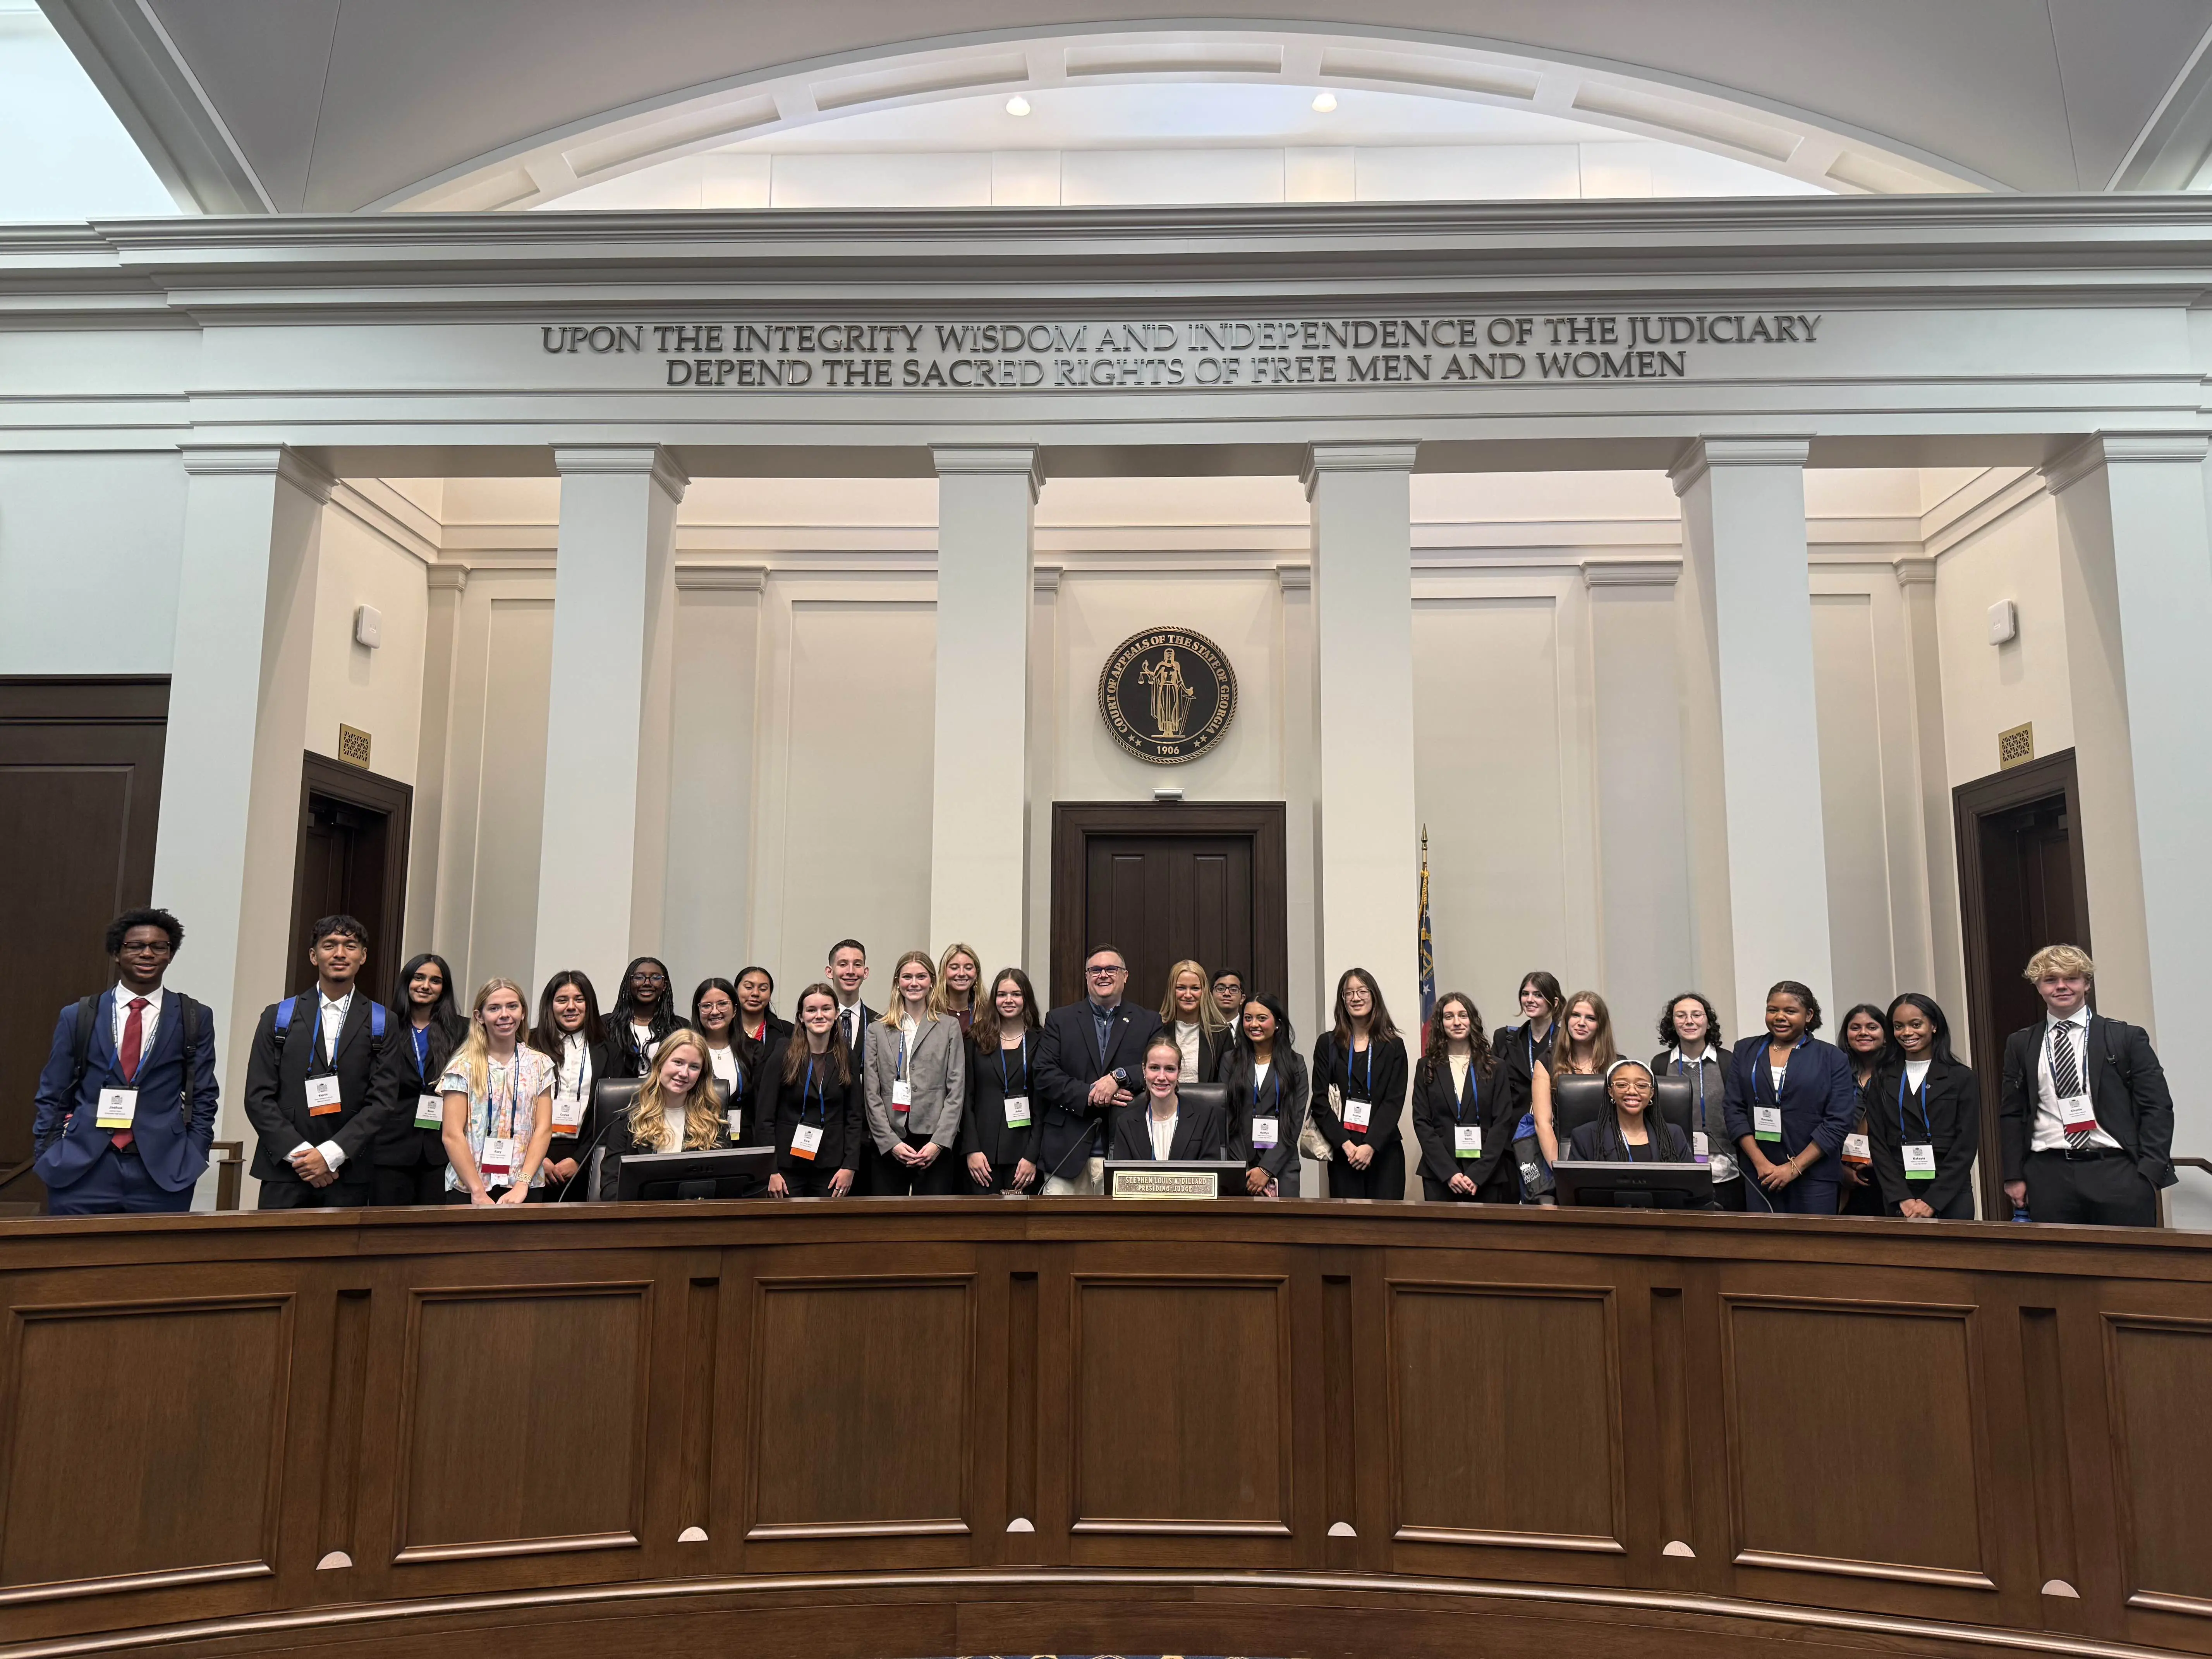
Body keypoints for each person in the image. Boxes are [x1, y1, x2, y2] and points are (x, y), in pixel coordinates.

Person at [33, 907, 218, 1216]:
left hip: (162, 1172)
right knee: (77, 1261)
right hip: (83, 1169)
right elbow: (53, 1092)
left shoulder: (194, 1017)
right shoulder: (78, 1015)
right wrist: (49, 1153)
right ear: (118, 953)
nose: (148, 954)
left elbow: (204, 1094)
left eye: (159, 947)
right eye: (136, 946)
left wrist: (193, 1153)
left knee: (153, 1263)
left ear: (170, 956)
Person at [2000, 945, 2174, 1228]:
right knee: (2059, 1268)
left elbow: (2157, 1107)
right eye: (2051, 980)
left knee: (2128, 1266)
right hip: (2049, 1174)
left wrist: (2149, 1173)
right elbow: (2012, 1113)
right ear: (2038, 986)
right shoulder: (2020, 1044)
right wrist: (2014, 1176)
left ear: (2087, 984)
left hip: (2117, 1170)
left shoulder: (2125, 1038)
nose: (2062, 987)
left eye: (2071, 978)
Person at [242, 913, 399, 1209]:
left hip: (348, 1171)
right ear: (314, 956)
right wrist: (304, 1157)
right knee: (276, 1254)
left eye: (350, 946)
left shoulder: (383, 1021)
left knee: (339, 1256)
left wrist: (330, 1156)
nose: (340, 954)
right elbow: (257, 1097)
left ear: (363, 956)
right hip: (284, 1170)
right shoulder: (277, 1017)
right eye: (330, 945)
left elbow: (383, 1101)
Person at [1722, 980, 1860, 1216]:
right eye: (1773, 1010)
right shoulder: (1745, 1050)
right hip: (1760, 1173)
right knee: (1765, 1246)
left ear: (1809, 1015)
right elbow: (1733, 1109)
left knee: (1813, 1246)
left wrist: (1793, 1168)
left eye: (1790, 1011)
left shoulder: (1832, 1057)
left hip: (1816, 1175)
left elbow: (1838, 1121)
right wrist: (1761, 1164)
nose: (1779, 1017)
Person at [1034, 943, 1163, 1195]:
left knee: (1120, 1234)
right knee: (1061, 1232)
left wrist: (1119, 1078)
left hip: (1127, 1152)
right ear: (1086, 977)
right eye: (1095, 970)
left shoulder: (1149, 1021)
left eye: (1111, 969)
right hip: (1066, 1154)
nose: (1103, 975)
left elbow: (1161, 1068)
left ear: (1125, 976)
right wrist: (1092, 1093)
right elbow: (1044, 1073)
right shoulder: (1060, 1020)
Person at [438, 978, 556, 1205]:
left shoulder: (540, 1065)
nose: (505, 1015)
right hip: (469, 1190)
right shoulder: (462, 1067)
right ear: (479, 1017)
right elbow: (452, 1135)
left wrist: (523, 1183)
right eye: (494, 1008)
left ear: (523, 1013)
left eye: (513, 1006)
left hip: (524, 1188)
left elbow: (544, 1129)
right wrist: (477, 1191)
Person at [1863, 993, 1980, 1221]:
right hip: (1900, 1194)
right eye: (1899, 1027)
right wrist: (1902, 1198)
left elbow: (1966, 1145)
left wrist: (1932, 1202)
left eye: (1916, 1025)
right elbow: (1877, 1143)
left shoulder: (1961, 1077)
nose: (1907, 1033)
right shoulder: (1881, 1078)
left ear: (1934, 1026)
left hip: (1950, 1191)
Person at [866, 949, 967, 1195]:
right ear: (897, 983)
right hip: (890, 1139)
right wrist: (890, 1143)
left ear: (932, 981)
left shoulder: (949, 1027)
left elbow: (957, 1090)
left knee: (934, 1224)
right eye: (907, 977)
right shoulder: (877, 1030)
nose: (914, 983)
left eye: (921, 977)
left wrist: (940, 1142)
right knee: (887, 1223)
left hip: (934, 1139)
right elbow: (871, 1093)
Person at [371, 952, 467, 1206]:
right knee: (387, 1231)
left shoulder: (463, 1031)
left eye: (435, 981)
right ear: (407, 982)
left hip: (442, 1151)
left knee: (433, 1234)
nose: (426, 986)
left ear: (443, 989)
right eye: (419, 978)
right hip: (390, 1148)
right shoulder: (382, 1026)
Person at [1309, 967, 1408, 1200]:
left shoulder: (1394, 1046)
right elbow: (1320, 1102)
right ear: (1342, 1000)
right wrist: (1346, 1145)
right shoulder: (1327, 1044)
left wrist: (1370, 1146)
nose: (1356, 998)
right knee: (1348, 1231)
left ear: (1374, 996)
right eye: (1349, 993)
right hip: (1344, 1154)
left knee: (1386, 1229)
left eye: (1362, 991)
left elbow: (1394, 1102)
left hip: (1384, 1152)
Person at [759, 984, 864, 1199]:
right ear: (801, 1016)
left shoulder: (847, 1057)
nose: (819, 1015)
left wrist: (850, 1167)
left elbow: (854, 1117)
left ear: (836, 1014)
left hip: (833, 1168)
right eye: (811, 1010)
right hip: (786, 1168)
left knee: (826, 1230)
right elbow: (765, 1117)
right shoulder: (783, 1053)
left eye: (826, 1009)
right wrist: (770, 1170)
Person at [597, 1028, 725, 1199]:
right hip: (640, 1219)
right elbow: (611, 1187)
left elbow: (724, 1187)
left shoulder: (714, 1124)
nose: (684, 1073)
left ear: (701, 1075)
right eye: (678, 1062)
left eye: (694, 1067)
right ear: (660, 1062)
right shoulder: (627, 1120)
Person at [1411, 992, 1515, 1202]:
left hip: (1487, 1177)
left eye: (1463, 1015)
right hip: (1440, 1176)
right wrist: (1449, 1173)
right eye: (1449, 1017)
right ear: (1441, 1024)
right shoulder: (1427, 1067)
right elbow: (1422, 1122)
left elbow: (1502, 1123)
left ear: (1472, 1020)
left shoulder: (1495, 1067)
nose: (1457, 1022)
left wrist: (1477, 1174)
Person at [527, 970, 607, 1199]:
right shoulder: (528, 1046)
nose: (571, 1007)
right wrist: (537, 1158)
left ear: (589, 1005)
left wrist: (580, 1159)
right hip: (531, 1155)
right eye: (562, 1000)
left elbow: (610, 1115)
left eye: (579, 1000)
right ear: (550, 1006)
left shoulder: (610, 1051)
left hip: (586, 1156)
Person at [962, 968, 1042, 1192]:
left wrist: (1032, 1156)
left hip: (1024, 1156)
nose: (1009, 1000)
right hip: (981, 1157)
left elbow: (1044, 1105)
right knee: (983, 1225)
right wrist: (972, 1150)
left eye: (1016, 994)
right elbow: (965, 1099)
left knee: (1020, 1226)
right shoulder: (975, 1038)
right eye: (1002, 994)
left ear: (1026, 999)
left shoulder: (1042, 1041)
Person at [1221, 993, 1306, 1197]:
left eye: (1262, 1018)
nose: (1254, 1024)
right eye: (1248, 1018)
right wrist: (1244, 1168)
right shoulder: (1230, 1062)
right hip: (1240, 1166)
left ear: (1277, 1023)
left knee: (1282, 1229)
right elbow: (1226, 1118)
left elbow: (1293, 1123)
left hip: (1282, 1167)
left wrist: (1266, 1169)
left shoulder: (1295, 1064)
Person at [1528, 990, 1618, 1170]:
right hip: (1564, 1156)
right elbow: (1543, 1123)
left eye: (1591, 1018)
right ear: (1567, 1019)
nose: (1581, 1023)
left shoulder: (1618, 1065)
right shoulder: (1546, 1062)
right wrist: (1560, 1168)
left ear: (1600, 1025)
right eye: (1576, 1015)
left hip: (1612, 1157)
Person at [1109, 1030, 1229, 1161]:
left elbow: (1210, 1176)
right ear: (1144, 1070)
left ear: (1179, 1073)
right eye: (1154, 1068)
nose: (1161, 1077)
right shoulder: (1126, 1123)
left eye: (1170, 1069)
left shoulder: (1205, 1118)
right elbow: (1122, 1177)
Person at [1488, 970, 1563, 1168]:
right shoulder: (1505, 1039)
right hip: (1513, 1138)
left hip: (1554, 1135)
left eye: (1538, 995)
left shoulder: (1567, 1044)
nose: (1530, 1000)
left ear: (1555, 1002)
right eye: (1525, 994)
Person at [1559, 1059, 1694, 1163]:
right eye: (1622, 1085)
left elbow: (1695, 1186)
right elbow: (1574, 1191)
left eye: (1641, 1086)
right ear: (1611, 1092)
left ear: (1652, 1093)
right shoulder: (1585, 1137)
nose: (1632, 1091)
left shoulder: (1673, 1135)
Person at [826, 938, 874, 1189]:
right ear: (830, 971)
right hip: (821, 1133)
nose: (851, 971)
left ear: (866, 973)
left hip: (868, 1136)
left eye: (857, 965)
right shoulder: (815, 1021)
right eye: (843, 964)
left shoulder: (881, 1025)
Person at [1836, 1001, 1890, 1217]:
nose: (1863, 1033)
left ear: (1886, 1035)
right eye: (1856, 1028)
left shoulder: (1897, 1075)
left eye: (1872, 1027)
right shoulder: (1836, 1074)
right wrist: (1839, 1170)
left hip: (1889, 1173)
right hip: (1843, 1172)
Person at [1158, 957, 1231, 1083]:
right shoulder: (1157, 1029)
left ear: (1204, 992)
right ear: (1172, 991)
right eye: (1181, 988)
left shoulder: (1221, 1033)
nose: (1188, 995)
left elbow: (1229, 1084)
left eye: (1195, 988)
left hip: (1208, 1102)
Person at [604, 956, 678, 1079]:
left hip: (665, 1098)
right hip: (619, 1097)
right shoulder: (606, 1025)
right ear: (629, 983)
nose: (647, 983)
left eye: (656, 978)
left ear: (665, 985)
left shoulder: (679, 1028)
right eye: (639, 978)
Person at [692, 977, 747, 1132]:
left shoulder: (753, 1051)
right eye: (707, 1006)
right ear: (698, 1011)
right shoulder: (688, 1051)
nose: (715, 1012)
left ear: (735, 1010)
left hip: (742, 1140)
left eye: (723, 1004)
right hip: (695, 1136)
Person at [933, 943, 984, 1032]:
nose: (961, 974)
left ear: (977, 974)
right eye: (954, 968)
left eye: (968, 968)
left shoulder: (986, 1013)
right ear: (944, 972)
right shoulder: (932, 1012)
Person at [1211, 967, 1246, 1041]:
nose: (1227, 994)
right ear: (1211, 996)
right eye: (1221, 989)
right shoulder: (1202, 1028)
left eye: (1233, 990)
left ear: (1242, 999)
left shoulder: (1249, 1028)